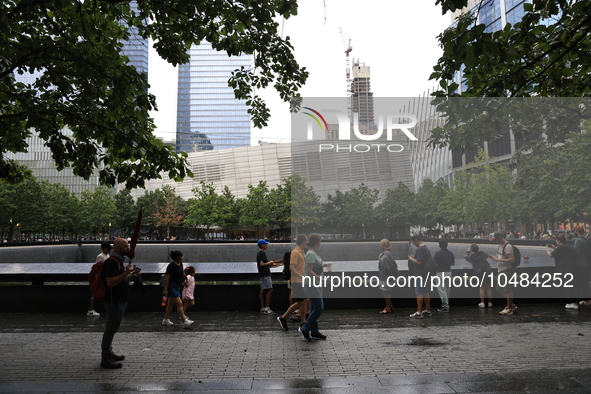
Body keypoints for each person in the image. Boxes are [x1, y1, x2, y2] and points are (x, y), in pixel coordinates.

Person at [100, 237, 139, 369]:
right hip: (114, 301)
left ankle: (109, 352)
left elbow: (120, 280)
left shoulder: (118, 261)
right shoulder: (111, 262)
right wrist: (126, 272)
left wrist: (131, 276)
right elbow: (110, 282)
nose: (128, 248)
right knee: (110, 329)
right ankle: (105, 357)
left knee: (112, 328)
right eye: (125, 246)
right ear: (117, 248)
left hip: (119, 300)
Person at [277, 234, 309, 331]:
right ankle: (283, 317)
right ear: (303, 241)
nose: (307, 242)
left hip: (301, 281)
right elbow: (292, 268)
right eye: (306, 240)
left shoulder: (302, 252)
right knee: (299, 302)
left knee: (303, 302)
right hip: (297, 281)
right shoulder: (295, 252)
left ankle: (303, 322)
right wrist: (301, 276)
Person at [299, 233, 327, 341]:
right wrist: (322, 279)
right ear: (317, 242)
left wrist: (322, 265)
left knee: (314, 308)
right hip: (311, 284)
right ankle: (305, 328)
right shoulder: (310, 253)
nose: (320, 242)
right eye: (320, 240)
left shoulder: (314, 253)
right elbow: (309, 271)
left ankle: (314, 331)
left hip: (316, 283)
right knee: (319, 307)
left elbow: (313, 266)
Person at [547, 234, 580, 310]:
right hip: (574, 268)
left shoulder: (561, 247)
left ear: (559, 241)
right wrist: (555, 248)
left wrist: (547, 249)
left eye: (557, 241)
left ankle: (573, 303)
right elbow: (562, 251)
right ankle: (575, 302)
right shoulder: (569, 246)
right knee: (573, 285)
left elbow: (550, 255)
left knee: (567, 286)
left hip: (566, 269)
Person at [162, 250, 194, 328]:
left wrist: (185, 278)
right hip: (171, 286)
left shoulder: (180, 264)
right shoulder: (171, 266)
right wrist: (165, 289)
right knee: (179, 304)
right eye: (182, 256)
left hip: (177, 286)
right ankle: (184, 321)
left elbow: (181, 272)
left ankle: (166, 320)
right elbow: (167, 278)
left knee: (170, 304)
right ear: (177, 257)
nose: (183, 257)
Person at [490, 232, 517, 315]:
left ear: (500, 237)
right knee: (500, 289)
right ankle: (511, 304)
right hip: (501, 270)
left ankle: (509, 308)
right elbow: (500, 255)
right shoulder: (500, 246)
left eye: (495, 240)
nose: (495, 242)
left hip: (506, 270)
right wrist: (495, 257)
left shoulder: (508, 246)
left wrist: (499, 260)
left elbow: (512, 259)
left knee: (507, 290)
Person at [407, 234, 432, 318]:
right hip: (425, 273)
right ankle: (428, 310)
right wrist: (415, 257)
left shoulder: (420, 249)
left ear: (416, 240)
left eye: (413, 242)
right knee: (425, 291)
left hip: (420, 273)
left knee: (419, 292)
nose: (413, 244)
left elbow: (419, 262)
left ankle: (419, 312)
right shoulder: (425, 248)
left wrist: (411, 259)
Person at [465, 244, 493, 308]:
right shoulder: (483, 254)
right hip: (487, 271)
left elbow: (465, 256)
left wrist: (468, 251)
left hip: (479, 272)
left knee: (481, 287)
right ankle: (490, 302)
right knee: (488, 287)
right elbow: (487, 255)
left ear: (472, 250)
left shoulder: (472, 257)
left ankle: (482, 302)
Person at [88, 241, 112, 317]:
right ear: (104, 249)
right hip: (101, 278)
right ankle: (90, 310)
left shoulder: (107, 255)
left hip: (105, 277)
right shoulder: (100, 256)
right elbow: (98, 267)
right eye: (109, 248)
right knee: (95, 294)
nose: (110, 250)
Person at [377, 239, 398, 314]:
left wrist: (379, 259)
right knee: (386, 292)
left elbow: (387, 266)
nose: (379, 245)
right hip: (387, 276)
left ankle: (388, 307)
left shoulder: (385, 256)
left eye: (380, 244)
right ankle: (390, 306)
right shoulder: (387, 253)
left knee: (385, 292)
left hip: (385, 277)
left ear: (383, 245)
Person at [433, 240, 454, 312]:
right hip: (448, 272)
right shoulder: (450, 253)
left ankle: (445, 306)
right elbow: (453, 263)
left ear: (439, 245)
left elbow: (434, 263)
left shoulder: (437, 253)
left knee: (442, 290)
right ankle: (446, 304)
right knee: (447, 290)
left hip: (440, 273)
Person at [573, 226, 591, 307]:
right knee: (586, 281)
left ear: (577, 231)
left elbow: (577, 253)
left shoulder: (578, 240)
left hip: (581, 264)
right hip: (587, 263)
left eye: (574, 231)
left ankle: (585, 300)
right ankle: (586, 299)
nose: (574, 232)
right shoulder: (587, 240)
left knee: (581, 282)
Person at [257, 239, 275, 315]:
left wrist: (268, 264)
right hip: (265, 274)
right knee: (270, 289)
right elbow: (262, 264)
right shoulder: (262, 253)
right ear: (262, 245)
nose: (266, 246)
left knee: (263, 289)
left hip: (262, 274)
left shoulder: (259, 253)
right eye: (265, 244)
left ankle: (263, 308)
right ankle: (267, 308)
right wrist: (269, 263)